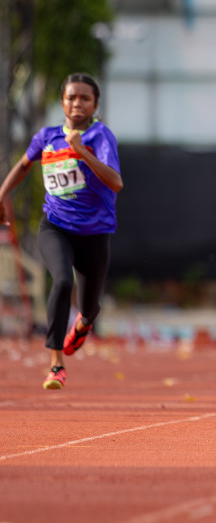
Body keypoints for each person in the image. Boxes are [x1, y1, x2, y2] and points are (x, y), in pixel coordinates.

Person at [0, 74, 123, 390]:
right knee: (62, 280)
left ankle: (82, 324)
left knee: (90, 308)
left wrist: (83, 152)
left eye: (84, 98)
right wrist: (2, 194)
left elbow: (116, 182)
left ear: (95, 104)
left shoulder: (101, 136)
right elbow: (25, 165)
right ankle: (56, 364)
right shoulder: (47, 136)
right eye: (71, 97)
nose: (77, 103)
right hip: (56, 226)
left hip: (95, 234)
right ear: (62, 102)